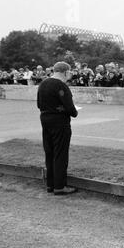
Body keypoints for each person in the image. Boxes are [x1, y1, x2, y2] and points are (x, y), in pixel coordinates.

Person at [37, 62, 78, 195]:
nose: (69, 75)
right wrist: (72, 111)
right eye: (69, 72)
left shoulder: (43, 84)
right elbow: (71, 108)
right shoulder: (61, 85)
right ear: (65, 72)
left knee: (49, 152)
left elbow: (39, 104)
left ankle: (50, 185)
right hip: (60, 122)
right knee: (60, 153)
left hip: (45, 120)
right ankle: (59, 186)